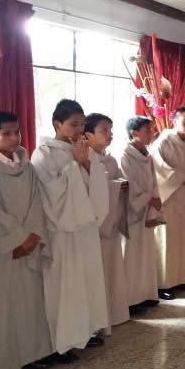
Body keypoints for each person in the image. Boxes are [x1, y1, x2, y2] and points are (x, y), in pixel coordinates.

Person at [31, 99, 110, 357]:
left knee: (86, 280)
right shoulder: (44, 153)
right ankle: (62, 341)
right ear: (57, 123)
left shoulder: (83, 148)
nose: (79, 129)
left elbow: (97, 183)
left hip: (85, 226)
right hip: (63, 230)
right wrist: (75, 164)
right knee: (66, 284)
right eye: (73, 124)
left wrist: (85, 163)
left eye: (82, 124)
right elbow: (52, 193)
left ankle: (86, 331)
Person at [0, 111, 56, 369]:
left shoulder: (27, 166)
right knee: (4, 305)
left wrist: (33, 236)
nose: (15, 138)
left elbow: (37, 201)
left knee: (31, 302)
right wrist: (17, 239)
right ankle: (5, 362)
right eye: (6, 133)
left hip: (30, 243)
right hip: (3, 247)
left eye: (17, 132)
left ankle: (32, 354)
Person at [152, 107, 185, 300]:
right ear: (174, 121)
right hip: (168, 196)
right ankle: (164, 284)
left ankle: (182, 278)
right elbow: (158, 167)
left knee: (183, 237)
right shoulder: (164, 141)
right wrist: (181, 177)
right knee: (167, 239)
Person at [84, 113, 130, 328]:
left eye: (110, 130)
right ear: (88, 134)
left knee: (112, 271)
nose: (109, 134)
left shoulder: (110, 160)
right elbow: (90, 190)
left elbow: (119, 182)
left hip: (112, 223)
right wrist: (116, 186)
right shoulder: (85, 159)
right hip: (96, 227)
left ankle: (114, 314)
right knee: (97, 274)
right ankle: (98, 322)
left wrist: (122, 186)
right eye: (104, 130)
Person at [119, 116, 161, 312]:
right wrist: (148, 199)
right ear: (134, 133)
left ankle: (146, 294)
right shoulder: (125, 156)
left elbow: (154, 182)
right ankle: (130, 300)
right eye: (147, 130)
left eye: (152, 130)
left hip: (146, 210)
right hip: (133, 213)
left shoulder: (148, 156)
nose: (152, 134)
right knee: (132, 256)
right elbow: (129, 185)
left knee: (146, 255)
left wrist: (154, 205)